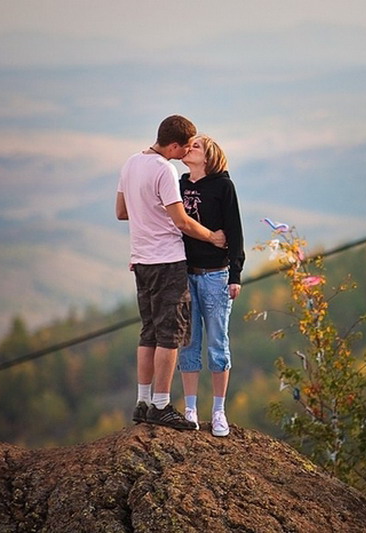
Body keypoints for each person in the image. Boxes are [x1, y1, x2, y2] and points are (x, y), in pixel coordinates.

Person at [116, 115, 226, 430]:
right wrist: (212, 236)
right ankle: (162, 405)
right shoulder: (165, 169)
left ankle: (143, 401)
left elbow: (122, 212)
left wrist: (146, 213)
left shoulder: (131, 163)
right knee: (170, 336)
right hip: (167, 261)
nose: (186, 152)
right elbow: (181, 221)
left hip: (141, 261)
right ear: (174, 145)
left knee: (148, 331)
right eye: (185, 147)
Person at [178, 134, 245, 437]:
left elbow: (235, 231)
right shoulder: (180, 184)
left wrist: (235, 275)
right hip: (184, 274)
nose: (188, 149)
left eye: (195, 147)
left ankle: (218, 411)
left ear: (208, 157)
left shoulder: (223, 187)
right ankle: (190, 409)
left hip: (216, 275)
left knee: (218, 344)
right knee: (188, 342)